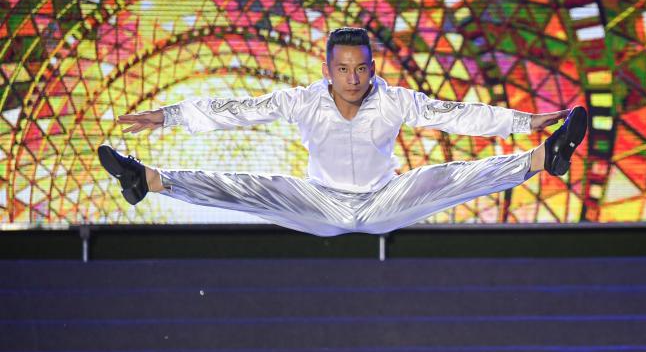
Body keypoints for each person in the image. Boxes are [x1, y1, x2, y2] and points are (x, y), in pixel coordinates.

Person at [97, 27, 587, 236]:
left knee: (448, 176)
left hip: (382, 200)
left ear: (373, 68)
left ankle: (545, 157)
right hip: (321, 202)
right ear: (327, 70)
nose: (354, 79)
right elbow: (239, 109)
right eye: (344, 69)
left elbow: (456, 115)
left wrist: (523, 122)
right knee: (254, 187)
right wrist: (171, 115)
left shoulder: (393, 98)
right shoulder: (301, 99)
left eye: (362, 69)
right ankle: (148, 179)